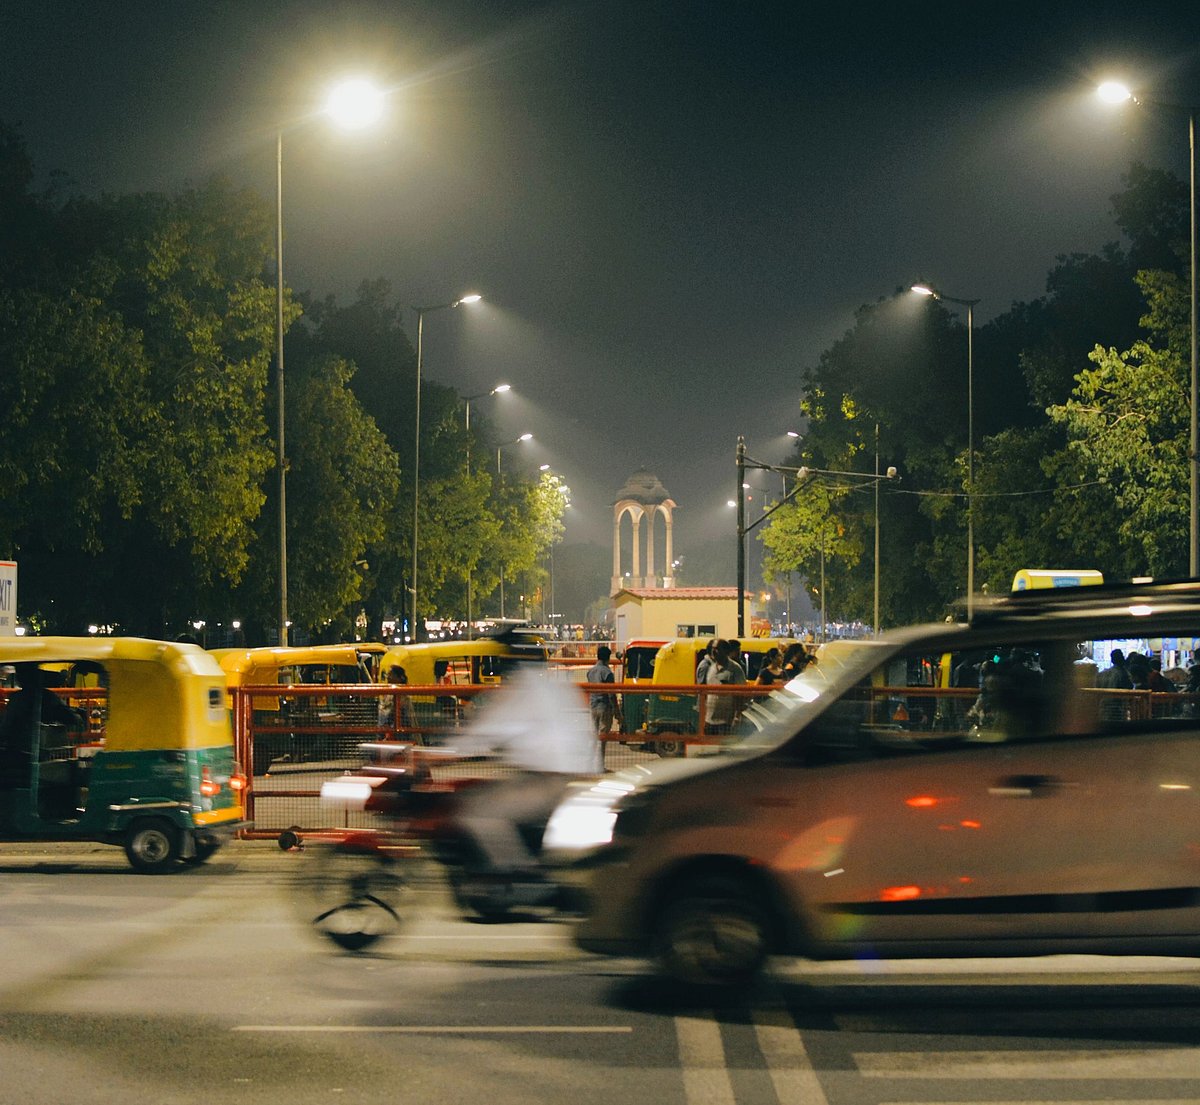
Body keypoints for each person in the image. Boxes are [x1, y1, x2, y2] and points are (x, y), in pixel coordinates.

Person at [451, 665, 602, 877]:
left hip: (545, 782)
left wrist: (445, 752)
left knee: (478, 814)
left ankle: (516, 873)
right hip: (568, 778)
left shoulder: (522, 691)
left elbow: (486, 732)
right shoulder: (553, 686)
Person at [704, 639, 747, 734]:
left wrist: (736, 716)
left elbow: (741, 694)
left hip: (726, 722)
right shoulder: (711, 668)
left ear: (726, 651)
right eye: (713, 648)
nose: (713, 651)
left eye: (717, 649)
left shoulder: (735, 669)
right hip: (709, 720)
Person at [586, 644, 617, 738]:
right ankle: (600, 753)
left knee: (594, 734)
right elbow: (611, 694)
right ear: (608, 658)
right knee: (603, 735)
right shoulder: (607, 673)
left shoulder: (590, 671)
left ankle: (592, 752)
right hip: (604, 706)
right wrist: (616, 711)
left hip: (593, 705)